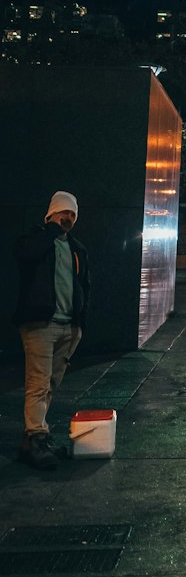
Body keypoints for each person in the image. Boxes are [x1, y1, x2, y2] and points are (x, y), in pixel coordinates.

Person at [12, 190, 90, 470]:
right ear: (50, 214)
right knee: (38, 383)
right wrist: (50, 231)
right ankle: (36, 439)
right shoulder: (36, 241)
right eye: (63, 212)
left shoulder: (77, 248)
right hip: (40, 325)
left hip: (68, 327)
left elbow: (84, 286)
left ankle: (33, 438)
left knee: (50, 384)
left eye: (72, 214)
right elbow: (25, 254)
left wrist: (79, 323)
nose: (68, 218)